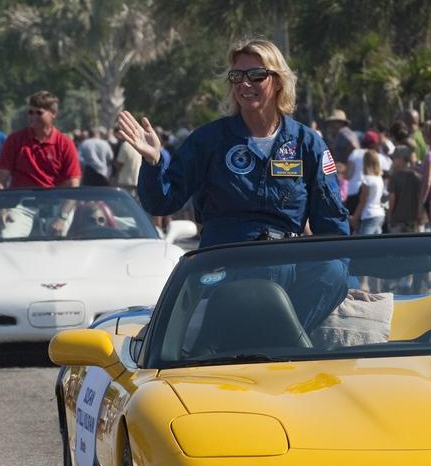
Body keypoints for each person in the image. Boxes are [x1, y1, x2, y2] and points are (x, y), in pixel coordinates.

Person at [116, 37, 349, 327]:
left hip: (287, 264)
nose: (245, 84)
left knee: (334, 272)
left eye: (256, 76)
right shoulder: (209, 140)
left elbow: (332, 226)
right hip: (227, 264)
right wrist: (152, 162)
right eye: (237, 76)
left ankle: (282, 340)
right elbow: (163, 201)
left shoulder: (308, 143)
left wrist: (339, 269)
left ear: (278, 82)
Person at [0, 91, 81, 191]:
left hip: (54, 203)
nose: (33, 117)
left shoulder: (65, 143)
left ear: (53, 113)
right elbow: (0, 180)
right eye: (30, 112)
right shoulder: (14, 140)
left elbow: (73, 183)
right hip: (20, 203)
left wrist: (64, 207)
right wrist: (3, 205)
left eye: (39, 113)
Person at [386, 145, 423, 233]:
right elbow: (420, 198)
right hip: (413, 221)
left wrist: (389, 216)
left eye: (394, 158)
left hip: (397, 221)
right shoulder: (418, 177)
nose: (393, 161)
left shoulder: (394, 177)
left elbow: (392, 199)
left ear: (401, 159)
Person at [352, 150, 386, 235]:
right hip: (380, 213)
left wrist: (355, 217)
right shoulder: (379, 179)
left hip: (369, 214)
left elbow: (363, 201)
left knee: (363, 244)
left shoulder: (367, 180)